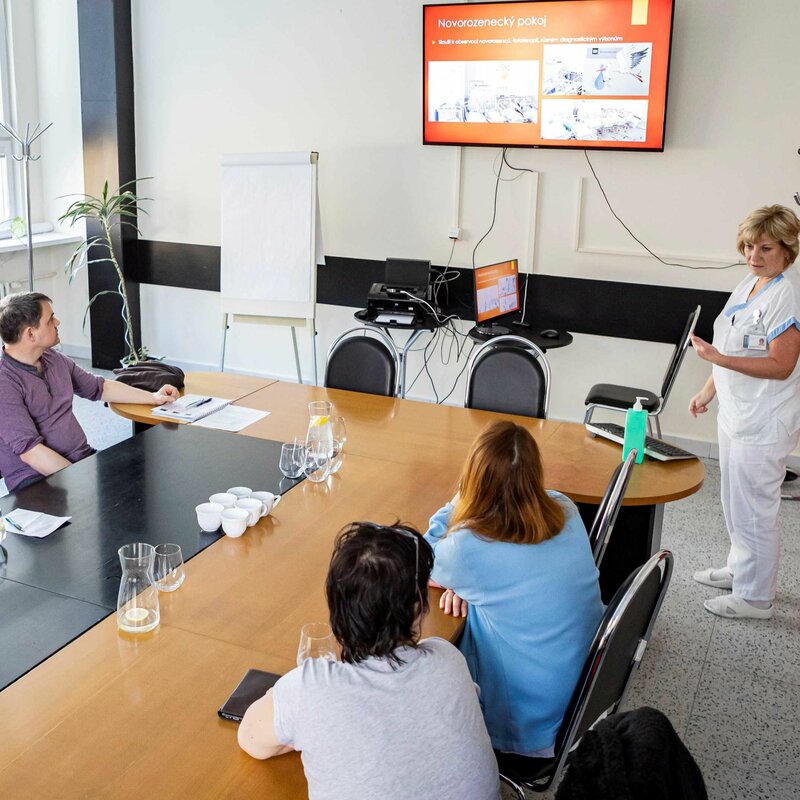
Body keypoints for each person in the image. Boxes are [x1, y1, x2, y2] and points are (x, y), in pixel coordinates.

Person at [238, 521, 500, 800]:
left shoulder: (310, 690)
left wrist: (294, 715)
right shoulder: (449, 659)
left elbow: (249, 738)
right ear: (421, 608)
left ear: (336, 611)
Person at [424, 420, 604, 756]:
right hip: (585, 692)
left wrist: (457, 502)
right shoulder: (565, 508)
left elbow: (420, 559)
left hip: (528, 725)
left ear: (473, 480)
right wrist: (471, 586)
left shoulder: (465, 549)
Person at [689, 205, 800, 620]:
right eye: (749, 246)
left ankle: (755, 598)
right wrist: (707, 390)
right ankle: (739, 569)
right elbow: (734, 344)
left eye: (766, 247)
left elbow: (781, 365)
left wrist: (718, 360)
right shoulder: (751, 284)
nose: (754, 255)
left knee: (756, 507)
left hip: (764, 420)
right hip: (737, 413)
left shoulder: (787, 296)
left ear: (787, 250)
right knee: (735, 501)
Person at [0, 292, 179, 492]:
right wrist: (84, 481)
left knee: (149, 479)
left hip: (81, 461)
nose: (57, 322)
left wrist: (153, 397)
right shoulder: (5, 382)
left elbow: (99, 387)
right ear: (30, 334)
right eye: (50, 320)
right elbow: (31, 453)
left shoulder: (53, 359)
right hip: (36, 481)